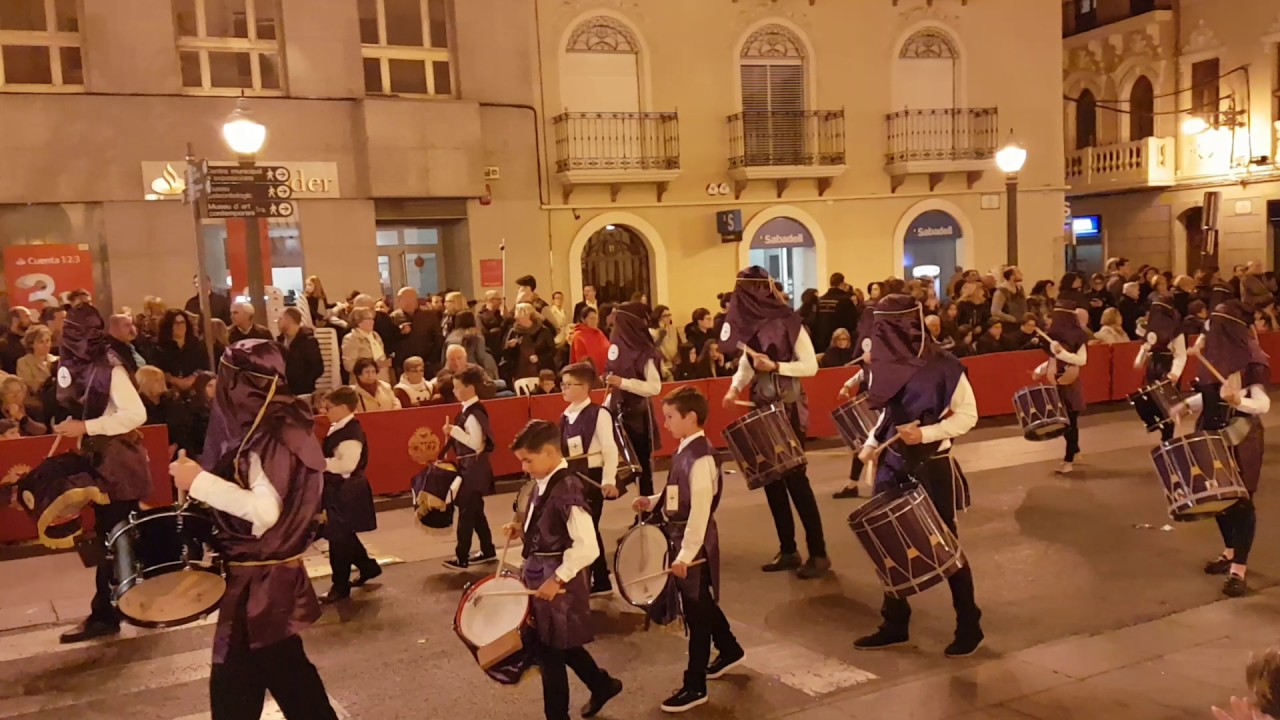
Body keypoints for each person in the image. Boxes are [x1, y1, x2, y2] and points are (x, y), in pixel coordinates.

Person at [167, 340, 339, 719]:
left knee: (250, 677)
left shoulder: (270, 434)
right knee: (278, 675)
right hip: (264, 577)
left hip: (260, 581)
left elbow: (264, 511)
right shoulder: (284, 424)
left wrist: (198, 482)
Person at [853, 294, 983, 657]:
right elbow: (887, 414)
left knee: (945, 546)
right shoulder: (885, 364)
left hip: (932, 465)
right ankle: (894, 623)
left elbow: (969, 415)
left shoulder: (945, 366)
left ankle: (970, 624)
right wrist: (870, 443)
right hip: (893, 463)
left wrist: (924, 435)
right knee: (889, 544)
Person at [633, 386, 743, 712]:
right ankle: (730, 648)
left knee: (696, 615)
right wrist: (652, 502)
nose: (664, 424)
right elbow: (674, 493)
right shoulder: (685, 448)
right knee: (701, 602)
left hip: (693, 544)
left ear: (690, 417)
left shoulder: (701, 458)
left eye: (669, 417)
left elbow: (699, 511)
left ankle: (695, 686)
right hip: (681, 539)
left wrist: (685, 556)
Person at [505, 420, 623, 720]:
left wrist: (558, 578)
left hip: (558, 580)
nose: (524, 467)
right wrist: (520, 530)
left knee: (549, 653)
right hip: (541, 574)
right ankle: (602, 684)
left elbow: (588, 546)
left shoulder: (567, 488)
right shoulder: (544, 481)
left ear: (548, 453)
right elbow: (548, 526)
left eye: (527, 460)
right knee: (558, 645)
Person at [721, 266, 828, 579]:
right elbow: (747, 365)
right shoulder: (752, 325)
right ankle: (789, 549)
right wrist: (733, 388)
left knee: (796, 482)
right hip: (762, 407)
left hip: (789, 411)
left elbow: (810, 367)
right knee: (772, 481)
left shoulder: (791, 323)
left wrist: (777, 365)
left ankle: (819, 553)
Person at [55, 304, 151, 643]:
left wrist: (86, 425)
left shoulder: (109, 368)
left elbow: (135, 414)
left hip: (118, 464)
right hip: (106, 460)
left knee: (114, 536)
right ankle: (124, 603)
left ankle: (106, 613)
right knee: (116, 535)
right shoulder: (93, 364)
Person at [1186, 300, 1269, 598]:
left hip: (1242, 436)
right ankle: (1230, 551)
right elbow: (1210, 395)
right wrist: (1184, 405)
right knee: (1218, 497)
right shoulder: (1212, 357)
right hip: (1212, 432)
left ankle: (1240, 570)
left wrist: (1239, 402)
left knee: (1242, 502)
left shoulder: (1253, 361)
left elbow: (1263, 405)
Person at [560, 362, 619, 596]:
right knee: (579, 529)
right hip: (572, 478)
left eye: (567, 385)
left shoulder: (599, 414)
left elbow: (609, 449)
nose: (563, 389)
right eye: (562, 385)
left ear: (584, 387)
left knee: (589, 528)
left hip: (592, 477)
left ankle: (601, 579)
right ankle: (593, 576)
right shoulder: (565, 416)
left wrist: (609, 480)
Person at [318, 386, 381, 603]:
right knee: (343, 535)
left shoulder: (350, 434)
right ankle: (368, 567)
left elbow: (346, 465)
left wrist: (318, 463)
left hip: (346, 490)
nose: (324, 410)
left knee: (338, 538)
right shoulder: (340, 427)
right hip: (341, 489)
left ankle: (340, 586)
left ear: (344, 407)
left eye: (329, 406)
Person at [440, 366, 499, 570]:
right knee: (475, 511)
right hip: (472, 467)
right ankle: (487, 549)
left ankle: (462, 556)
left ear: (470, 388)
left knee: (467, 513)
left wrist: (454, 431)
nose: (454, 391)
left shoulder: (473, 413)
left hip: (473, 468)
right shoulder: (471, 411)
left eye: (457, 387)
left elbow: (476, 443)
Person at [605, 301, 663, 498]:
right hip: (618, 410)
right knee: (627, 462)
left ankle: (648, 509)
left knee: (641, 467)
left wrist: (623, 382)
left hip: (637, 414)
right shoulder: (618, 350)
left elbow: (655, 387)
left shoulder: (645, 353)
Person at [1034, 298, 1089, 474]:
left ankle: (1068, 459)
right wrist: (1041, 369)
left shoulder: (1079, 337)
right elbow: (1053, 359)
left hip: (1070, 384)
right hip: (1058, 384)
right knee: (1068, 422)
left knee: (1070, 423)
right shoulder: (1054, 338)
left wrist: (1063, 353)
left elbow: (1082, 360)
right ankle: (1076, 451)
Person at [1135, 293, 1187, 442]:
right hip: (1153, 365)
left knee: (1166, 404)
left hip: (1167, 366)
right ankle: (1154, 424)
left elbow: (1181, 354)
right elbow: (1146, 346)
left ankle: (1167, 438)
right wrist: (1140, 358)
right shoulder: (1149, 329)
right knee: (1147, 399)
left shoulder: (1176, 331)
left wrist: (1175, 373)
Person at [136, 365, 191, 460]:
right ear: (145, 382)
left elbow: (183, 428)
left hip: (176, 452)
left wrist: (175, 445)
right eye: (156, 380)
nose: (162, 383)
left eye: (162, 379)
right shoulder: (137, 406)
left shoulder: (172, 402)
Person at [154, 308, 209, 391]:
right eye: (176, 323)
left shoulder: (196, 343)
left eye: (182, 322)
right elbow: (158, 369)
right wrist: (175, 381)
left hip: (195, 387)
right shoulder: (159, 346)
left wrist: (193, 378)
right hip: (169, 389)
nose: (180, 326)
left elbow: (204, 365)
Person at [392, 287, 444, 374]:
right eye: (404, 298)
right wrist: (399, 333)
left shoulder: (429, 316)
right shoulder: (393, 318)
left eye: (411, 298)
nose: (408, 301)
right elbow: (391, 341)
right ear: (399, 301)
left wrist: (430, 361)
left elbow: (438, 340)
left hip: (427, 365)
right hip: (403, 367)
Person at [504, 302, 557, 381]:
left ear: (529, 316)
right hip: (520, 370)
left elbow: (552, 350)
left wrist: (539, 358)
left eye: (520, 316)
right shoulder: (513, 331)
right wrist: (511, 347)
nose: (517, 319)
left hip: (541, 370)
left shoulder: (543, 330)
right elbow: (507, 354)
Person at [278, 307, 324, 396]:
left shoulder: (308, 341)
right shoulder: (281, 340)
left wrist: (303, 385)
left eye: (280, 318)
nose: (277, 321)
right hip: (284, 391)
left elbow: (317, 368)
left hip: (302, 392)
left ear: (289, 320)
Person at [342, 307, 392, 384]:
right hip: (363, 383)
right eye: (368, 319)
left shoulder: (376, 336)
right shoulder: (351, 338)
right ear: (359, 322)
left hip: (382, 381)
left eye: (372, 319)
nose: (372, 322)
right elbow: (349, 365)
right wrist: (374, 364)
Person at [811, 273, 859, 351]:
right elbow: (852, 323)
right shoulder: (845, 300)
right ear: (842, 284)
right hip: (839, 343)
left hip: (821, 342)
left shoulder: (820, 300)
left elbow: (815, 322)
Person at [570, 306, 611, 374]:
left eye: (596, 318)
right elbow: (581, 361)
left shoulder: (599, 332)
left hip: (604, 373)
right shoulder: (578, 336)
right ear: (583, 320)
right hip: (589, 374)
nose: (594, 321)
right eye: (591, 318)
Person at [17, 324, 56, 394]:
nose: (46, 345)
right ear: (31, 344)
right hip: (35, 400)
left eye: (48, 340)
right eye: (41, 342)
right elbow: (30, 386)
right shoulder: (23, 362)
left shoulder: (57, 360)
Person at [1, 306, 33, 374]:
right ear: (15, 319)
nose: (31, 320)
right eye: (27, 316)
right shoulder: (4, 344)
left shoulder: (33, 340)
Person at [650, 305, 679, 379]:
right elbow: (653, 346)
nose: (669, 317)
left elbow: (678, 344)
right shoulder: (652, 331)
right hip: (662, 363)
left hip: (674, 362)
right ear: (658, 317)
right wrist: (661, 335)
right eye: (665, 315)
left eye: (669, 315)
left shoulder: (673, 329)